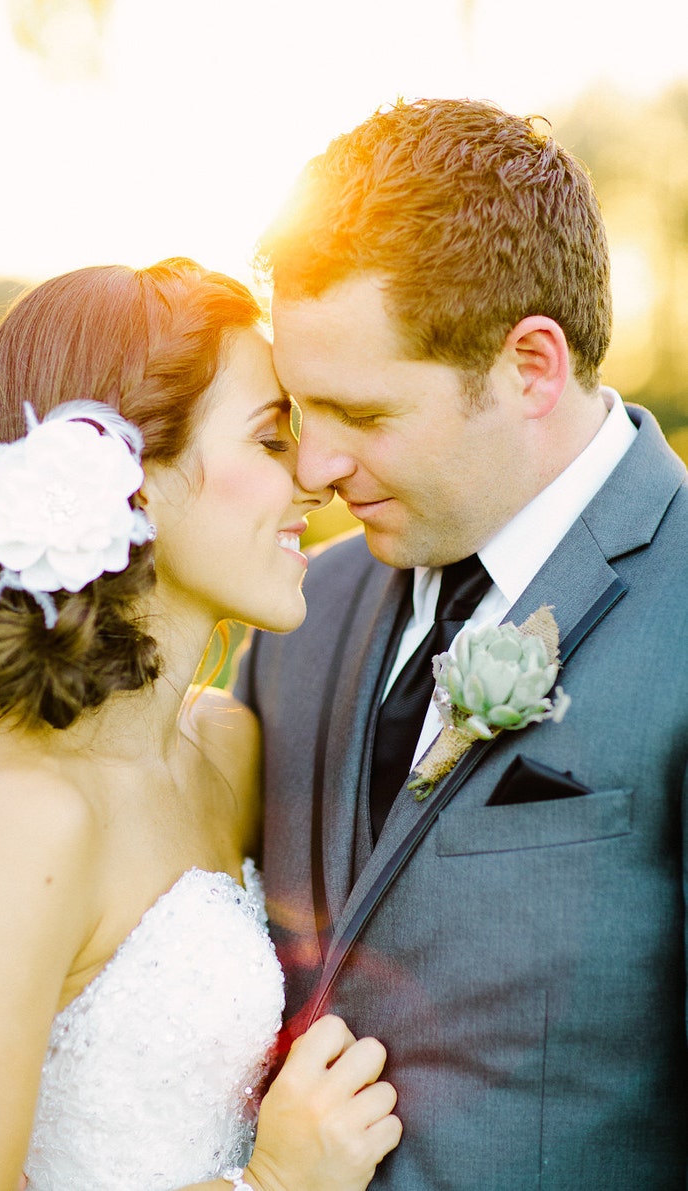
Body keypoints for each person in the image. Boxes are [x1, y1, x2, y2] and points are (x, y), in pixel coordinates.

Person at [234, 99, 688, 1187]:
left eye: (366, 415)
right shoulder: (299, 615)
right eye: (302, 413)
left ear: (530, 366)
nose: (314, 470)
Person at [0, 259, 402, 1191]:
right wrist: (274, 1185)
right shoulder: (13, 811)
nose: (316, 477)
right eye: (271, 435)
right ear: (132, 481)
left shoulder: (233, 747)